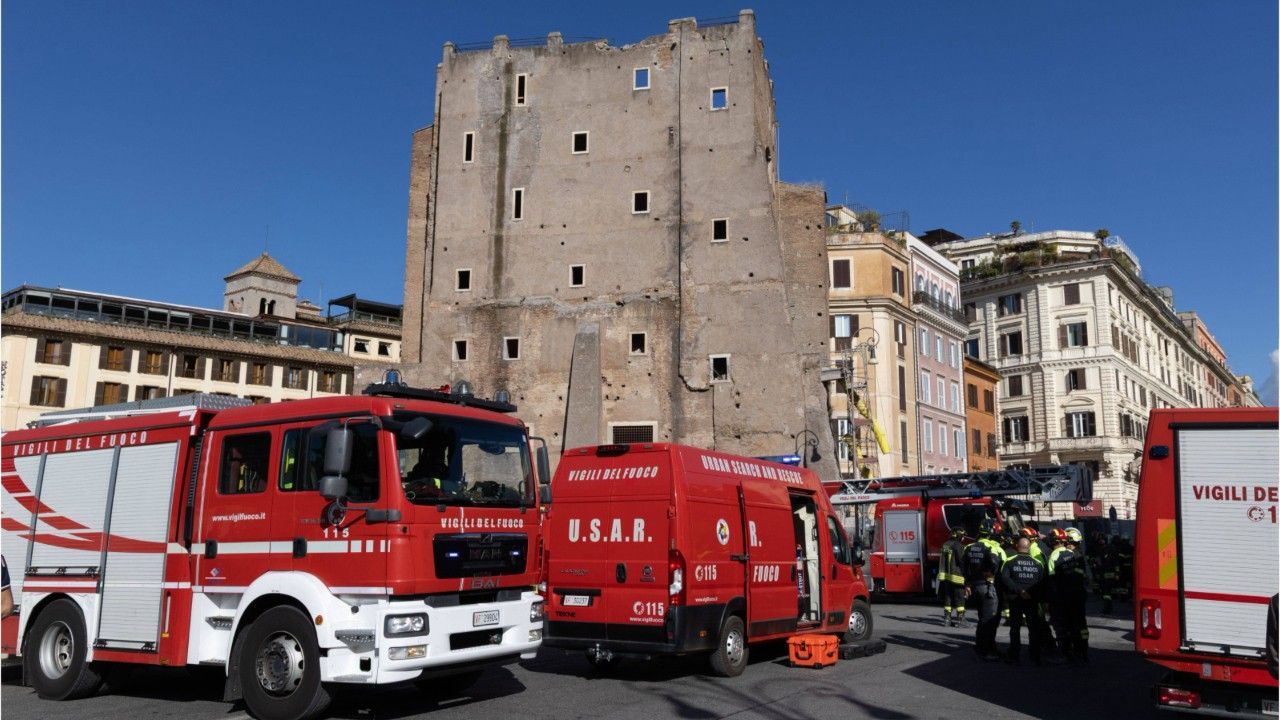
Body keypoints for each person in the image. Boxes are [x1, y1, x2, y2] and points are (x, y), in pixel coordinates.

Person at [1000, 536, 1050, 665]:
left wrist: (1019, 590)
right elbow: (1042, 584)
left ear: (1017, 546)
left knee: (1015, 628)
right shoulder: (1037, 564)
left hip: (1015, 599)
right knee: (1034, 628)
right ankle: (1035, 656)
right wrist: (1039, 599)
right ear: (1028, 547)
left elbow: (1005, 579)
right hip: (1032, 600)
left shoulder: (1010, 561)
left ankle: (1014, 655)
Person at [963, 519, 1004, 661]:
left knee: (982, 618)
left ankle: (982, 646)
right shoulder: (994, 547)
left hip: (974, 586)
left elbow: (963, 567)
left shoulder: (969, 547)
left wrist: (967, 583)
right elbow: (997, 565)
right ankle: (986, 651)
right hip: (988, 587)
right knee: (989, 620)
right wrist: (990, 575)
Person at [1049, 527, 1090, 663]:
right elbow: (1082, 576)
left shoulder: (1055, 555)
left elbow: (1052, 580)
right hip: (1078, 595)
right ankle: (1082, 651)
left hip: (1065, 596)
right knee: (1080, 623)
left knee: (1066, 625)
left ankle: (1067, 653)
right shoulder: (1076, 556)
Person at [938, 527, 968, 627]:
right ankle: (961, 620)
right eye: (963, 536)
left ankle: (947, 619)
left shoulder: (945, 544)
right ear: (960, 536)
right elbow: (962, 562)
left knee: (948, 597)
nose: (963, 538)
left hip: (946, 577)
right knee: (959, 598)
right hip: (957, 577)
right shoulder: (958, 545)